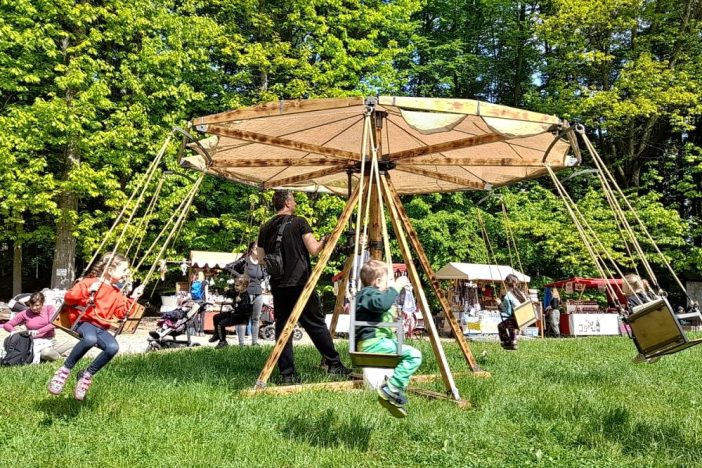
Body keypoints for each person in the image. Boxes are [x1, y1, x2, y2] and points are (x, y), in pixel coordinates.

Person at [257, 190, 352, 384]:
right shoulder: (299, 222)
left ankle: (288, 374)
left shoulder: (265, 227)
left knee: (283, 327)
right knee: (315, 323)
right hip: (300, 283)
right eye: (293, 200)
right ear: (288, 202)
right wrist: (325, 240)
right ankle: (334, 364)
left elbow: (260, 259)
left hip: (278, 284)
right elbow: (314, 250)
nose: (295, 203)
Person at [47, 252, 144, 400]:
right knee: (90, 339)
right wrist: (88, 290)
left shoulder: (117, 293)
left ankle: (86, 375)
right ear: (110, 270)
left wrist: (133, 298)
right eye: (124, 269)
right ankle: (64, 371)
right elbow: (69, 297)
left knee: (113, 347)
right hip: (83, 321)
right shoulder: (89, 282)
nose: (127, 273)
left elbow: (120, 313)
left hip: (100, 327)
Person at [356, 259, 422, 418]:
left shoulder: (369, 297)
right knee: (414, 356)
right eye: (388, 281)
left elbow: (380, 309)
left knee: (401, 361)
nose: (389, 285)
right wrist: (396, 286)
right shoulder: (367, 293)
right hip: (373, 344)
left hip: (378, 342)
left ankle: (391, 395)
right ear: (378, 282)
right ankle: (391, 388)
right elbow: (382, 304)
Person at [225, 242, 267, 345]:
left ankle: (255, 343)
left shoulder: (261, 263)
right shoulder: (245, 260)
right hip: (246, 293)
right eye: (257, 249)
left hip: (258, 293)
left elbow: (263, 275)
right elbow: (228, 267)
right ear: (252, 249)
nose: (259, 251)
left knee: (256, 318)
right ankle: (241, 344)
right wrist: (240, 276)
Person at [3, 292, 61, 363]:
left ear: (42, 303)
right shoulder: (25, 313)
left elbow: (53, 324)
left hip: (49, 340)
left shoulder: (49, 308)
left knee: (46, 353)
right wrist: (13, 331)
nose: (34, 308)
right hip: (33, 341)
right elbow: (7, 325)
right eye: (31, 305)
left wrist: (38, 331)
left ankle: (60, 358)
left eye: (37, 305)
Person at [622, 273, 660, 364]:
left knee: (634, 328)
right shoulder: (648, 295)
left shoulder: (632, 299)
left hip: (643, 326)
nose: (622, 288)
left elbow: (633, 313)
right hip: (656, 322)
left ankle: (643, 353)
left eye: (623, 286)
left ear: (628, 287)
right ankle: (654, 350)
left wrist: (625, 317)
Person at [209, 276, 252, 348]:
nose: (235, 287)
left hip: (240, 317)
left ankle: (223, 341)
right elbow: (232, 294)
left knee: (220, 324)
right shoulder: (238, 292)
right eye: (235, 285)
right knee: (216, 317)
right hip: (234, 313)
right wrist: (227, 291)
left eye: (237, 285)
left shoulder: (246, 296)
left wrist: (240, 302)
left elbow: (246, 310)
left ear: (244, 286)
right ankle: (217, 334)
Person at [497, 274, 528, 350]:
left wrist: (499, 304)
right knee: (510, 322)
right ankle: (513, 341)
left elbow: (507, 311)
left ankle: (506, 342)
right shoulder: (521, 293)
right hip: (526, 318)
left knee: (501, 326)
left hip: (517, 320)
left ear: (506, 284)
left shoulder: (508, 296)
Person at [189, 271, 208, 335]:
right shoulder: (205, 282)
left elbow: (191, 292)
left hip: (195, 301)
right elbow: (206, 293)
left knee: (196, 316)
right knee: (202, 316)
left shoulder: (194, 282)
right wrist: (207, 301)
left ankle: (196, 332)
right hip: (203, 301)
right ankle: (201, 332)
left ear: (198, 275)